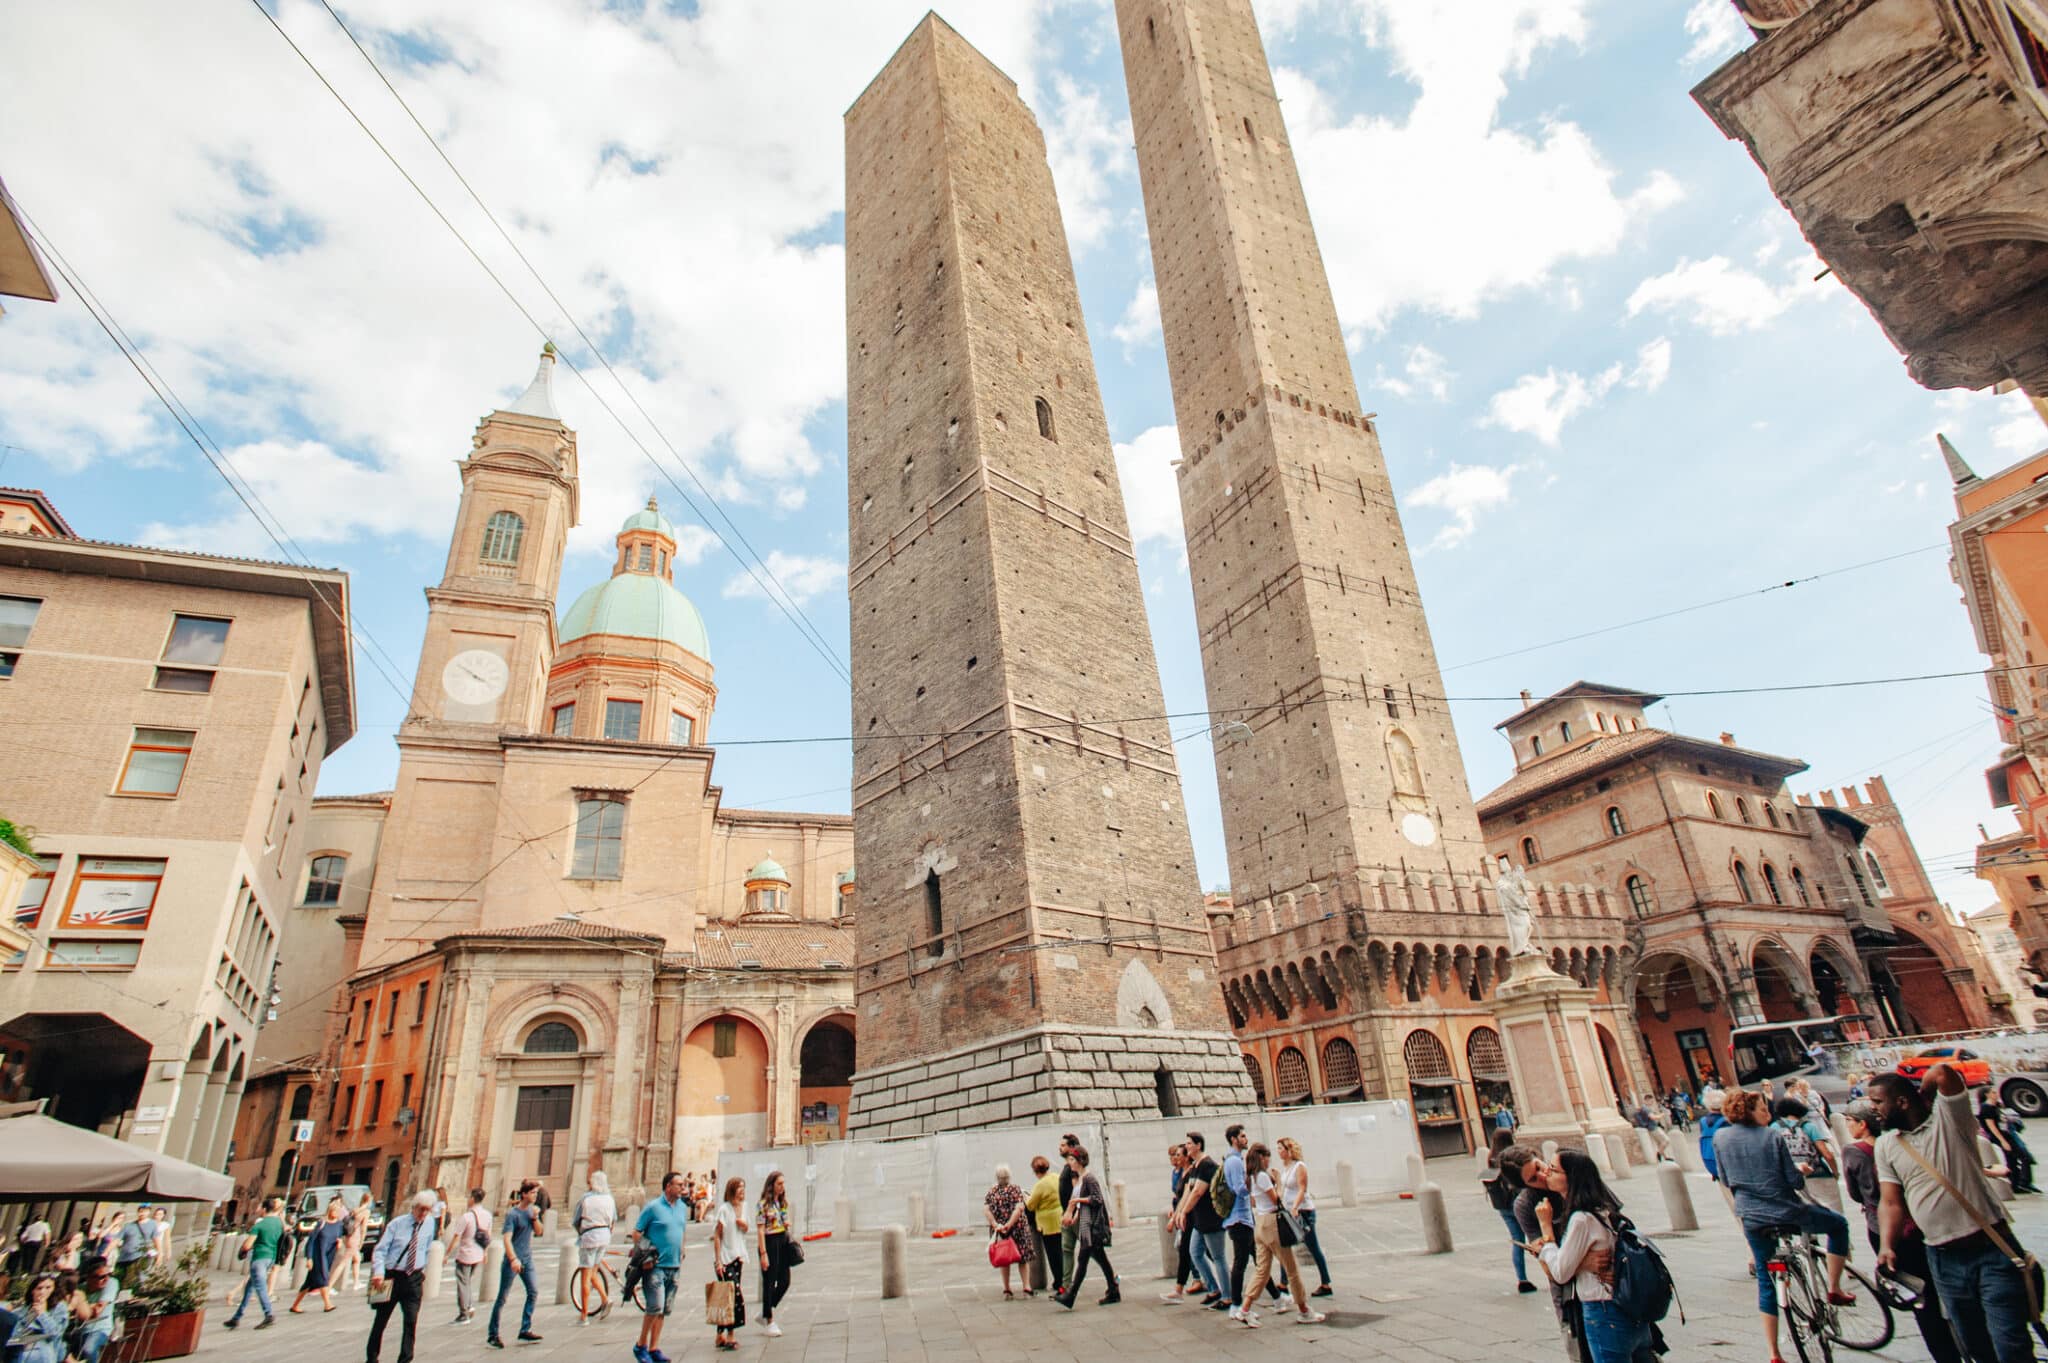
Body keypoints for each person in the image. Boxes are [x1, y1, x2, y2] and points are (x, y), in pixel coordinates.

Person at [1871, 1063, 2040, 1362]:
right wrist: (1886, 1245)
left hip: (1991, 1248)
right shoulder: (1886, 1144)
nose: (1874, 1110)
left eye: (1878, 1102)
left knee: (2009, 1344)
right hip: (1942, 1258)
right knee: (1974, 1345)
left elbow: (1943, 1073)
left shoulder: (1949, 1120)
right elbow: (1891, 1202)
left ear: (1902, 1101)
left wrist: (1921, 1092)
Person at [1715, 1087, 1853, 1363]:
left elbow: (1726, 1179)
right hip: (1786, 1212)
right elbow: (1793, 1181)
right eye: (1763, 1108)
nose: (1768, 1113)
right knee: (1838, 1225)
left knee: (1766, 1281)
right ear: (1748, 1112)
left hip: (1751, 1218)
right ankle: (1834, 1288)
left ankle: (1774, 1352)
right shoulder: (1771, 1136)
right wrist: (1800, 1171)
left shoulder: (1720, 1137)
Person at [1839, 1100, 1961, 1363]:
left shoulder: (1854, 1151)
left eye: (1849, 1121)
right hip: (1921, 1222)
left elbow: (1855, 1193)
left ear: (1862, 1124)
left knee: (1921, 1299)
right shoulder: (1896, 1144)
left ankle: (1945, 1354)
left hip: (1886, 1229)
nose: (1846, 1125)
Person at [1531, 1151, 1645, 1363]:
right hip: (1625, 1307)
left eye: (1553, 1169)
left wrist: (1545, 1229)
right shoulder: (1602, 1210)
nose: (1547, 1172)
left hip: (1602, 1309)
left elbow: (1561, 1272)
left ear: (1571, 1178)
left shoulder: (1581, 1219)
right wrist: (1583, 1263)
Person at [1233, 1142, 1326, 1328]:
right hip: (1272, 1224)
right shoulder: (1262, 1176)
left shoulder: (1250, 1177)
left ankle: (1244, 1309)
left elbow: (1253, 1201)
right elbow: (1277, 1200)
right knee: (1291, 1269)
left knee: (1262, 1270)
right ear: (1261, 1157)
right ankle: (1304, 1310)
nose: (1269, 1160)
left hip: (1260, 1222)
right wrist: (1277, 1182)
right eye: (1267, 1156)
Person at [366, 1190, 439, 1363]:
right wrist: (378, 1272)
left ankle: (405, 1359)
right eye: (421, 1209)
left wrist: (423, 1269)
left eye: (427, 1210)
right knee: (381, 1321)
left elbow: (426, 1247)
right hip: (392, 1276)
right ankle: (372, 1357)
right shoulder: (396, 1224)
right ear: (413, 1207)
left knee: (411, 1321)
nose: (423, 1213)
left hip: (413, 1278)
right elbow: (380, 1250)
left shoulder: (429, 1224)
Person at [1220, 1122, 1281, 1318]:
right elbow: (1239, 1189)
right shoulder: (1235, 1162)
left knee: (1259, 1259)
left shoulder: (1234, 1159)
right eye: (1242, 1136)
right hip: (1240, 1219)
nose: (1246, 1139)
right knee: (1241, 1262)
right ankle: (1236, 1305)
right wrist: (1254, 1183)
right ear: (1234, 1139)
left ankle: (1278, 1297)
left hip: (1242, 1218)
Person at [630, 1171, 691, 1363]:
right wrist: (647, 1254)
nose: (683, 1188)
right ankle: (641, 1346)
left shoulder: (682, 1207)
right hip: (655, 1265)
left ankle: (654, 1348)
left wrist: (682, 1248)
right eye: (679, 1185)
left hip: (674, 1265)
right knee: (654, 1306)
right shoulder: (653, 1207)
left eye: (683, 1185)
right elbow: (636, 1233)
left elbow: (681, 1230)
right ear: (668, 1187)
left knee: (664, 1309)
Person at [1054, 1145, 1118, 1308]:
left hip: (1091, 1227)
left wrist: (1077, 1202)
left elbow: (1097, 1199)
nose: (1070, 1163)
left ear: (1080, 1161)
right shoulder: (1082, 1178)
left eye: (1073, 1160)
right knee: (1101, 1260)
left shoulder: (1089, 1178)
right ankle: (1113, 1289)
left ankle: (1070, 1295)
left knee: (1083, 1260)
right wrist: (1075, 1215)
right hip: (1086, 1226)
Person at [1169, 1131, 1227, 1309]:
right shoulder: (1195, 1167)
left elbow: (1198, 1192)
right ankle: (1214, 1288)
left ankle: (1228, 1295)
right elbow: (1188, 1190)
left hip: (1211, 1218)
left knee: (1218, 1257)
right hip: (1200, 1220)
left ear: (1198, 1145)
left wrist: (1184, 1212)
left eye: (1189, 1144)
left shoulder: (1207, 1165)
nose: (1186, 1147)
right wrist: (1180, 1212)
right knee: (1195, 1253)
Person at [486, 1180, 543, 1348]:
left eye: (536, 1193)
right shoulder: (513, 1214)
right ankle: (493, 1334)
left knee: (533, 1291)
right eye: (532, 1192)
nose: (535, 1195)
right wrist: (513, 1259)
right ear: (524, 1194)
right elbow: (506, 1239)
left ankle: (525, 1329)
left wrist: (536, 1218)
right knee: (502, 1298)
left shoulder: (532, 1212)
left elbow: (539, 1232)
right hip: (513, 1261)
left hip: (527, 1259)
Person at [1273, 1137, 1333, 1298]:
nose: (1278, 1151)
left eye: (1280, 1148)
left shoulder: (1299, 1166)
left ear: (1289, 1150)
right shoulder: (1285, 1168)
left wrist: (1295, 1206)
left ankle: (1326, 1282)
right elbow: (1284, 1190)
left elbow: (1302, 1188)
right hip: (1290, 1211)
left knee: (1313, 1246)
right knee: (1285, 1246)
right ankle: (1283, 1283)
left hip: (1303, 1211)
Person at [1481, 1127, 1537, 1294]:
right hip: (1519, 1203)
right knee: (1537, 1237)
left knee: (1517, 1241)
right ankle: (1554, 1271)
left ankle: (1522, 1279)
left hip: (1503, 1206)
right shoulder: (1512, 1156)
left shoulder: (1491, 1158)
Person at [222, 1195, 285, 1331]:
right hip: (271, 1257)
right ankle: (237, 1317)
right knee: (249, 1288)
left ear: (264, 1209)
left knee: (260, 1287)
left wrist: (242, 1251)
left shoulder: (260, 1224)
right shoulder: (279, 1223)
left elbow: (247, 1245)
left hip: (259, 1258)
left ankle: (268, 1314)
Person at [1771, 1096, 1842, 1209]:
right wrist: (1835, 1172)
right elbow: (1827, 1154)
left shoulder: (1774, 1128)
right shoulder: (1809, 1126)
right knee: (1832, 1209)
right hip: (1817, 1173)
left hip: (1792, 1176)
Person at [710, 1176, 750, 1352]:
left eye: (744, 1187)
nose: (742, 1190)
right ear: (732, 1189)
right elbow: (717, 1235)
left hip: (739, 1256)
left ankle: (720, 1335)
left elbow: (746, 1228)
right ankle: (731, 1335)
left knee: (724, 1295)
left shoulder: (745, 1207)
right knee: (733, 1296)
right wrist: (718, 1261)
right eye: (739, 1187)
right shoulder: (724, 1210)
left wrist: (744, 1225)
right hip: (725, 1258)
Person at [572, 1170, 618, 1318]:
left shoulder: (586, 1198)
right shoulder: (610, 1199)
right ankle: (605, 1299)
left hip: (589, 1236)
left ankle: (584, 1315)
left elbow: (576, 1220)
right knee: (593, 1273)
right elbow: (614, 1220)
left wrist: (581, 1232)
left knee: (585, 1277)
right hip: (604, 1236)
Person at [289, 1196, 348, 1314]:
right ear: (329, 1211)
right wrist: (309, 1258)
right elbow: (311, 1241)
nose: (336, 1213)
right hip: (318, 1256)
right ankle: (327, 1304)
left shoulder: (339, 1225)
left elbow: (339, 1238)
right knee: (324, 1278)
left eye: (338, 1212)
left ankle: (295, 1305)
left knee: (308, 1283)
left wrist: (339, 1243)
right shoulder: (321, 1223)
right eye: (334, 1211)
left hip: (328, 1256)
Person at [982, 1164, 1033, 1300]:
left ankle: (1007, 1289)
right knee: (1023, 1258)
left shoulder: (991, 1192)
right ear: (1009, 1176)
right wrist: (1009, 1224)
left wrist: (996, 1224)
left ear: (997, 1177)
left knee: (1004, 1258)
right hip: (1018, 1228)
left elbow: (986, 1210)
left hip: (999, 1230)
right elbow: (1019, 1208)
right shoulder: (1015, 1189)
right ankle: (1026, 1287)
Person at [757, 1170, 796, 1334]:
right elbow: (760, 1230)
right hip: (769, 1242)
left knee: (785, 1281)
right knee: (769, 1281)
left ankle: (766, 1311)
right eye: (779, 1183)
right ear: (771, 1184)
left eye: (783, 1183)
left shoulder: (782, 1202)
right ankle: (769, 1321)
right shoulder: (763, 1204)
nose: (782, 1187)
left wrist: (787, 1223)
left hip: (782, 1241)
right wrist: (763, 1253)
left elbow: (786, 1221)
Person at [1977, 1093, 2037, 1194]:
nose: (1996, 1094)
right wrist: (2002, 1141)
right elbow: (1992, 1127)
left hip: (2009, 1135)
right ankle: (2024, 1182)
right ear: (1987, 1095)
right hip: (2004, 1138)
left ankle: (2016, 1184)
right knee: (2025, 1157)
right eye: (1993, 1092)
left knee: (2012, 1160)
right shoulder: (1986, 1108)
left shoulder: (1996, 1105)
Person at [446, 1188, 490, 1325]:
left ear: (472, 1198)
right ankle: (469, 1306)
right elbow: (488, 1236)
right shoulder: (487, 1215)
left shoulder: (467, 1216)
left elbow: (456, 1237)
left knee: (462, 1282)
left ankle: (464, 1313)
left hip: (465, 1254)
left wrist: (447, 1254)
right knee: (467, 1281)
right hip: (478, 1253)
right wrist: (485, 1252)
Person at [1024, 1155, 1064, 1298]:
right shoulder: (1056, 1177)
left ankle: (1059, 1282)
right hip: (1060, 1217)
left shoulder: (1040, 1185)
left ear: (1035, 1171)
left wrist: (1026, 1198)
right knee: (1061, 1251)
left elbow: (1031, 1204)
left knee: (1053, 1255)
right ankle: (1064, 1279)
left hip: (1047, 1223)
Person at [1159, 1143, 1195, 1303]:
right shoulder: (1181, 1173)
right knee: (1190, 1251)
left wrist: (1175, 1218)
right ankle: (1207, 1283)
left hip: (1191, 1218)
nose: (1176, 1158)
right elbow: (1179, 1197)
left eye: (1179, 1155)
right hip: (1184, 1216)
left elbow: (1187, 1197)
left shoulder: (1190, 1174)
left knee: (1193, 1251)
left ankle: (1183, 1287)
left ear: (1186, 1157)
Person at [5, 1274, 68, 1363]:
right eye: (39, 1288)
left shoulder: (59, 1307)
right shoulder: (24, 1309)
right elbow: (15, 1334)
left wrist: (43, 1314)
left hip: (44, 1352)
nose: (42, 1292)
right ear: (33, 1291)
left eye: (48, 1288)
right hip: (20, 1351)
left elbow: (55, 1334)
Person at [67, 1258, 120, 1363]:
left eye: (108, 1274)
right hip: (78, 1330)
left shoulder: (111, 1283)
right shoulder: (80, 1289)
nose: (106, 1279)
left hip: (100, 1328)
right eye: (102, 1277)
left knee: (88, 1349)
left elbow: (97, 1311)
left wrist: (82, 1308)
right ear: (89, 1278)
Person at [1053, 1132, 1081, 1292]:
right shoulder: (1068, 1166)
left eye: (1063, 1145)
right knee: (1067, 1249)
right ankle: (1065, 1286)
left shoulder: (1074, 1167)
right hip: (1067, 1215)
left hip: (1074, 1216)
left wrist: (1072, 1211)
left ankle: (1112, 1280)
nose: (1060, 1147)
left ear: (1071, 1147)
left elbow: (1077, 1189)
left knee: (1092, 1251)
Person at [113, 1207, 153, 1290]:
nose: (142, 1213)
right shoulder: (128, 1225)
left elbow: (157, 1240)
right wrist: (106, 1253)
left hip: (139, 1256)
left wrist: (160, 1254)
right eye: (140, 1211)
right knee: (118, 1278)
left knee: (132, 1279)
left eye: (144, 1211)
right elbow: (116, 1240)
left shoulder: (152, 1224)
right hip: (124, 1257)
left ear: (149, 1212)